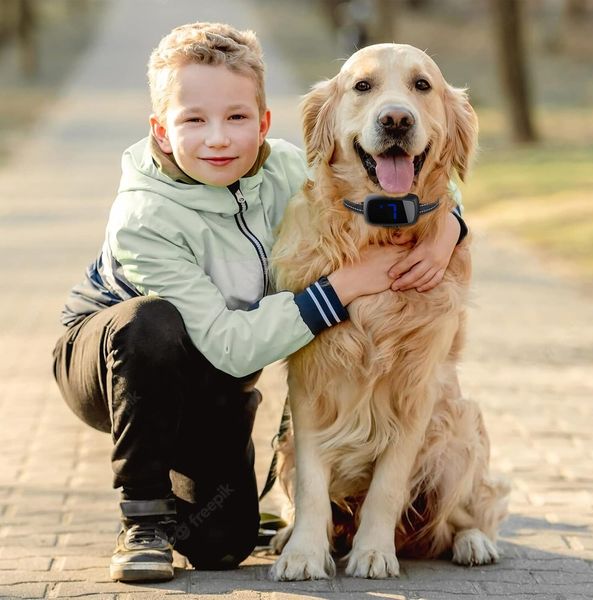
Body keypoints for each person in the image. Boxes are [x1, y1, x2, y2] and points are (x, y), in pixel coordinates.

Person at [52, 22, 468, 583]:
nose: (219, 138)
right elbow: (231, 346)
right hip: (114, 363)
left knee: (223, 544)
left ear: (265, 124)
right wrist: (344, 287)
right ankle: (143, 518)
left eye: (237, 118)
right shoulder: (144, 219)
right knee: (148, 325)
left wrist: (449, 231)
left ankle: (199, 479)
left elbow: (421, 177)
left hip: (210, 374)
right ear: (161, 129)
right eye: (194, 120)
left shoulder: (290, 169)